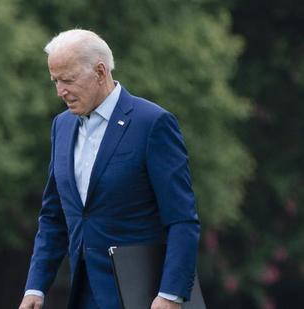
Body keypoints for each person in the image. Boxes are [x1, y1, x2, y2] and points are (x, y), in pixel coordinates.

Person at [18, 29, 201, 309]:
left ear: (101, 72)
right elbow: (53, 218)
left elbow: (182, 219)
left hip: (143, 297)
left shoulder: (152, 123)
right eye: (55, 81)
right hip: (82, 295)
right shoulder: (62, 126)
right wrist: (35, 286)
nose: (60, 91)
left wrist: (170, 294)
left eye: (68, 80)